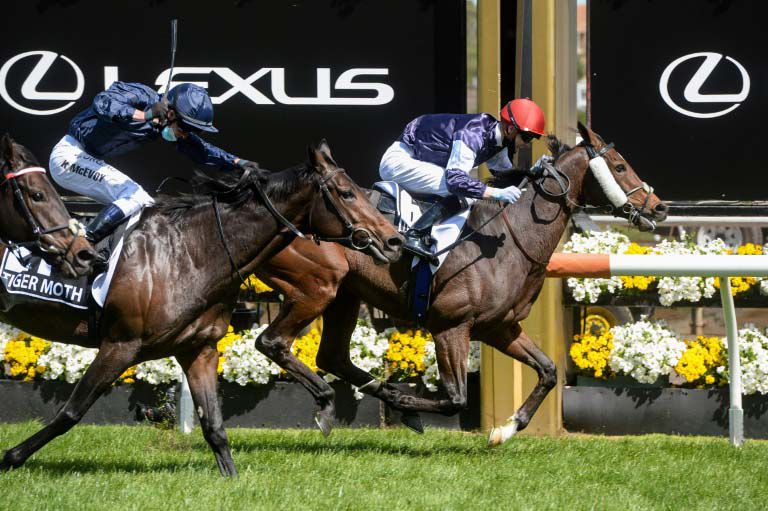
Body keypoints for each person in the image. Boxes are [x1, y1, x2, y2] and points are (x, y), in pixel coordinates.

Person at [49, 81, 256, 244]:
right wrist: (145, 114)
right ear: (172, 113)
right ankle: (80, 243)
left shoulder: (164, 125)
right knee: (134, 195)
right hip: (69, 156)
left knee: (145, 206)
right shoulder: (141, 95)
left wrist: (237, 162)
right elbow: (103, 102)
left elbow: (200, 150)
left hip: (87, 160)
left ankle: (103, 250)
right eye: (188, 129)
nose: (189, 135)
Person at [378, 98, 546, 259]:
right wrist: (496, 193)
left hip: (418, 159)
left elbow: (506, 176)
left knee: (470, 190)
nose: (528, 143)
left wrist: (533, 174)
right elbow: (455, 181)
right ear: (510, 130)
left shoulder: (498, 142)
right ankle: (415, 234)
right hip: (399, 162)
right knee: (462, 190)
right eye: (527, 137)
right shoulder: (473, 135)